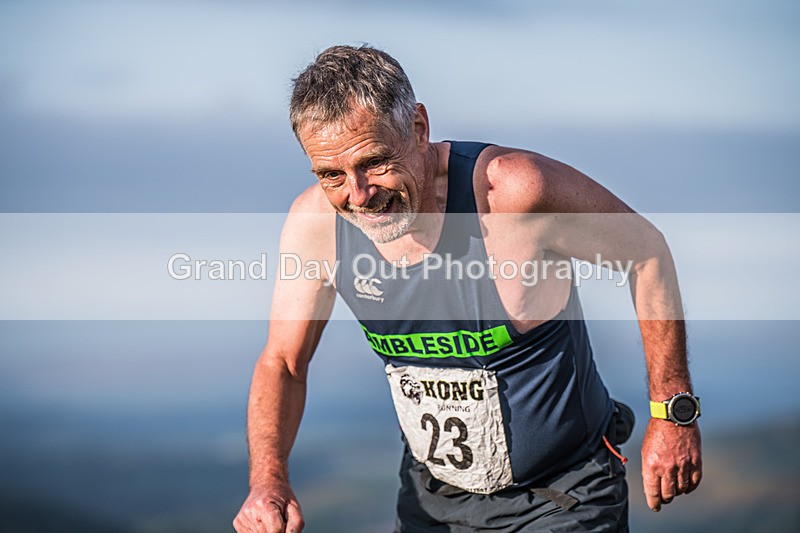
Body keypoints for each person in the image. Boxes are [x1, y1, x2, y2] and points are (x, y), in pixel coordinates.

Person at [233, 45, 702, 533]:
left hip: (563, 497)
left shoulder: (514, 194)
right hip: (432, 501)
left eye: (373, 162)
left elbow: (645, 253)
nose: (358, 195)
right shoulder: (316, 226)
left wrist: (673, 414)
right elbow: (283, 363)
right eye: (332, 175)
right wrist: (268, 480)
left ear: (418, 128)